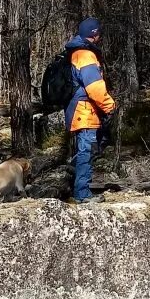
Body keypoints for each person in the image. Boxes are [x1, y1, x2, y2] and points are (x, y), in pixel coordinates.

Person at [64, 17, 115, 202]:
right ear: (94, 34)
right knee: (86, 152)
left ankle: (76, 187)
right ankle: (82, 195)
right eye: (98, 33)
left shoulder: (76, 52)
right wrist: (110, 106)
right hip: (84, 112)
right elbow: (95, 87)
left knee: (84, 151)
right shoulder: (85, 55)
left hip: (80, 111)